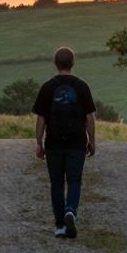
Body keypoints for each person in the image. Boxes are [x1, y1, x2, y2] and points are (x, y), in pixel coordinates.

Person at [32, 46, 96, 238]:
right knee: (75, 180)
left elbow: (41, 118)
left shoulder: (47, 87)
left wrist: (39, 143)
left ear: (56, 63)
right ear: (72, 63)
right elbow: (90, 118)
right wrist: (92, 141)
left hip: (54, 143)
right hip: (77, 142)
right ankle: (71, 210)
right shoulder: (82, 86)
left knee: (57, 183)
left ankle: (60, 225)